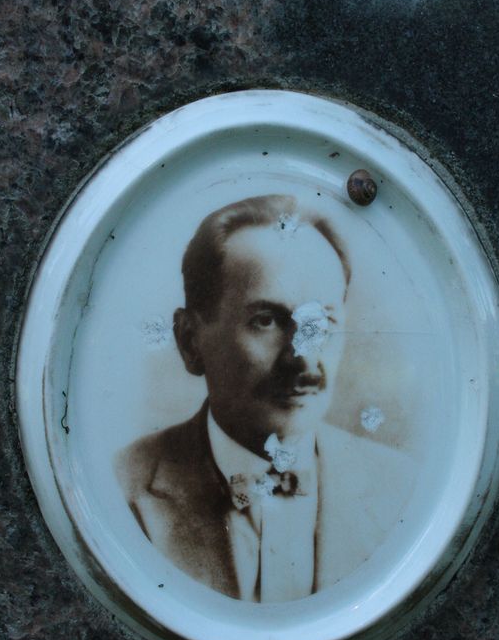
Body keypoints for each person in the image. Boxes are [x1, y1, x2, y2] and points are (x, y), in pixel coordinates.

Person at [116, 194, 413, 603]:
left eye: (322, 322)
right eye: (267, 321)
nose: (304, 357)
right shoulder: (119, 490)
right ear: (190, 341)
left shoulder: (404, 493)